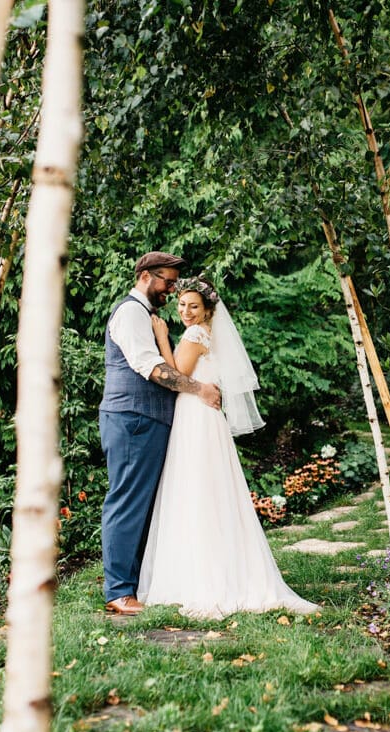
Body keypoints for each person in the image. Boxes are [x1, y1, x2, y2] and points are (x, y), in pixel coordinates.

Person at [137, 276, 318, 619]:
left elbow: (176, 375)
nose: (186, 312)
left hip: (195, 418)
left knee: (195, 489)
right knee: (210, 490)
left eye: (194, 306)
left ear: (207, 311)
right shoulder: (210, 336)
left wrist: (161, 337)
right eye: (182, 305)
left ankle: (199, 577)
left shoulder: (194, 335)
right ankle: (217, 569)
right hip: (205, 417)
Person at [99, 252, 222, 616]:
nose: (171, 289)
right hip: (132, 418)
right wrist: (199, 389)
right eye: (167, 281)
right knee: (127, 501)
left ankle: (131, 585)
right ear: (147, 277)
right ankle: (118, 591)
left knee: (142, 505)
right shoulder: (130, 313)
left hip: (145, 419)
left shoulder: (146, 315)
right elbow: (152, 369)